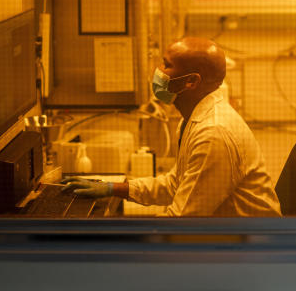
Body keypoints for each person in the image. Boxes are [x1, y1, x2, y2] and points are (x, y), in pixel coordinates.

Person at [63, 37, 282, 217]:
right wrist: (113, 188)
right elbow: (176, 184)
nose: (157, 71)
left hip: (251, 253)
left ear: (191, 82)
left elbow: (182, 220)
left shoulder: (214, 134)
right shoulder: (194, 117)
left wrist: (123, 237)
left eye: (166, 65)